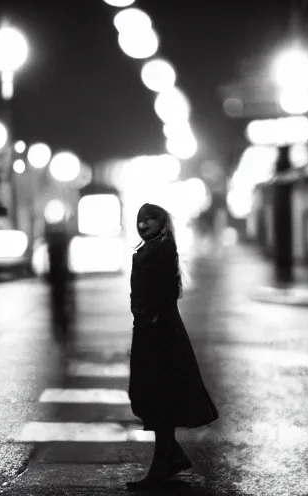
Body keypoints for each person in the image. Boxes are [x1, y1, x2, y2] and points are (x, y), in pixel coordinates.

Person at [126, 203, 219, 492]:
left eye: (150, 219)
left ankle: (161, 467)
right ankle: (171, 458)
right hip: (148, 329)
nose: (143, 224)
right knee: (149, 396)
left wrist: (151, 317)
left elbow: (164, 291)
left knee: (158, 398)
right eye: (140, 219)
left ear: (162, 222)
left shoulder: (162, 248)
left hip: (161, 333)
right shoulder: (148, 247)